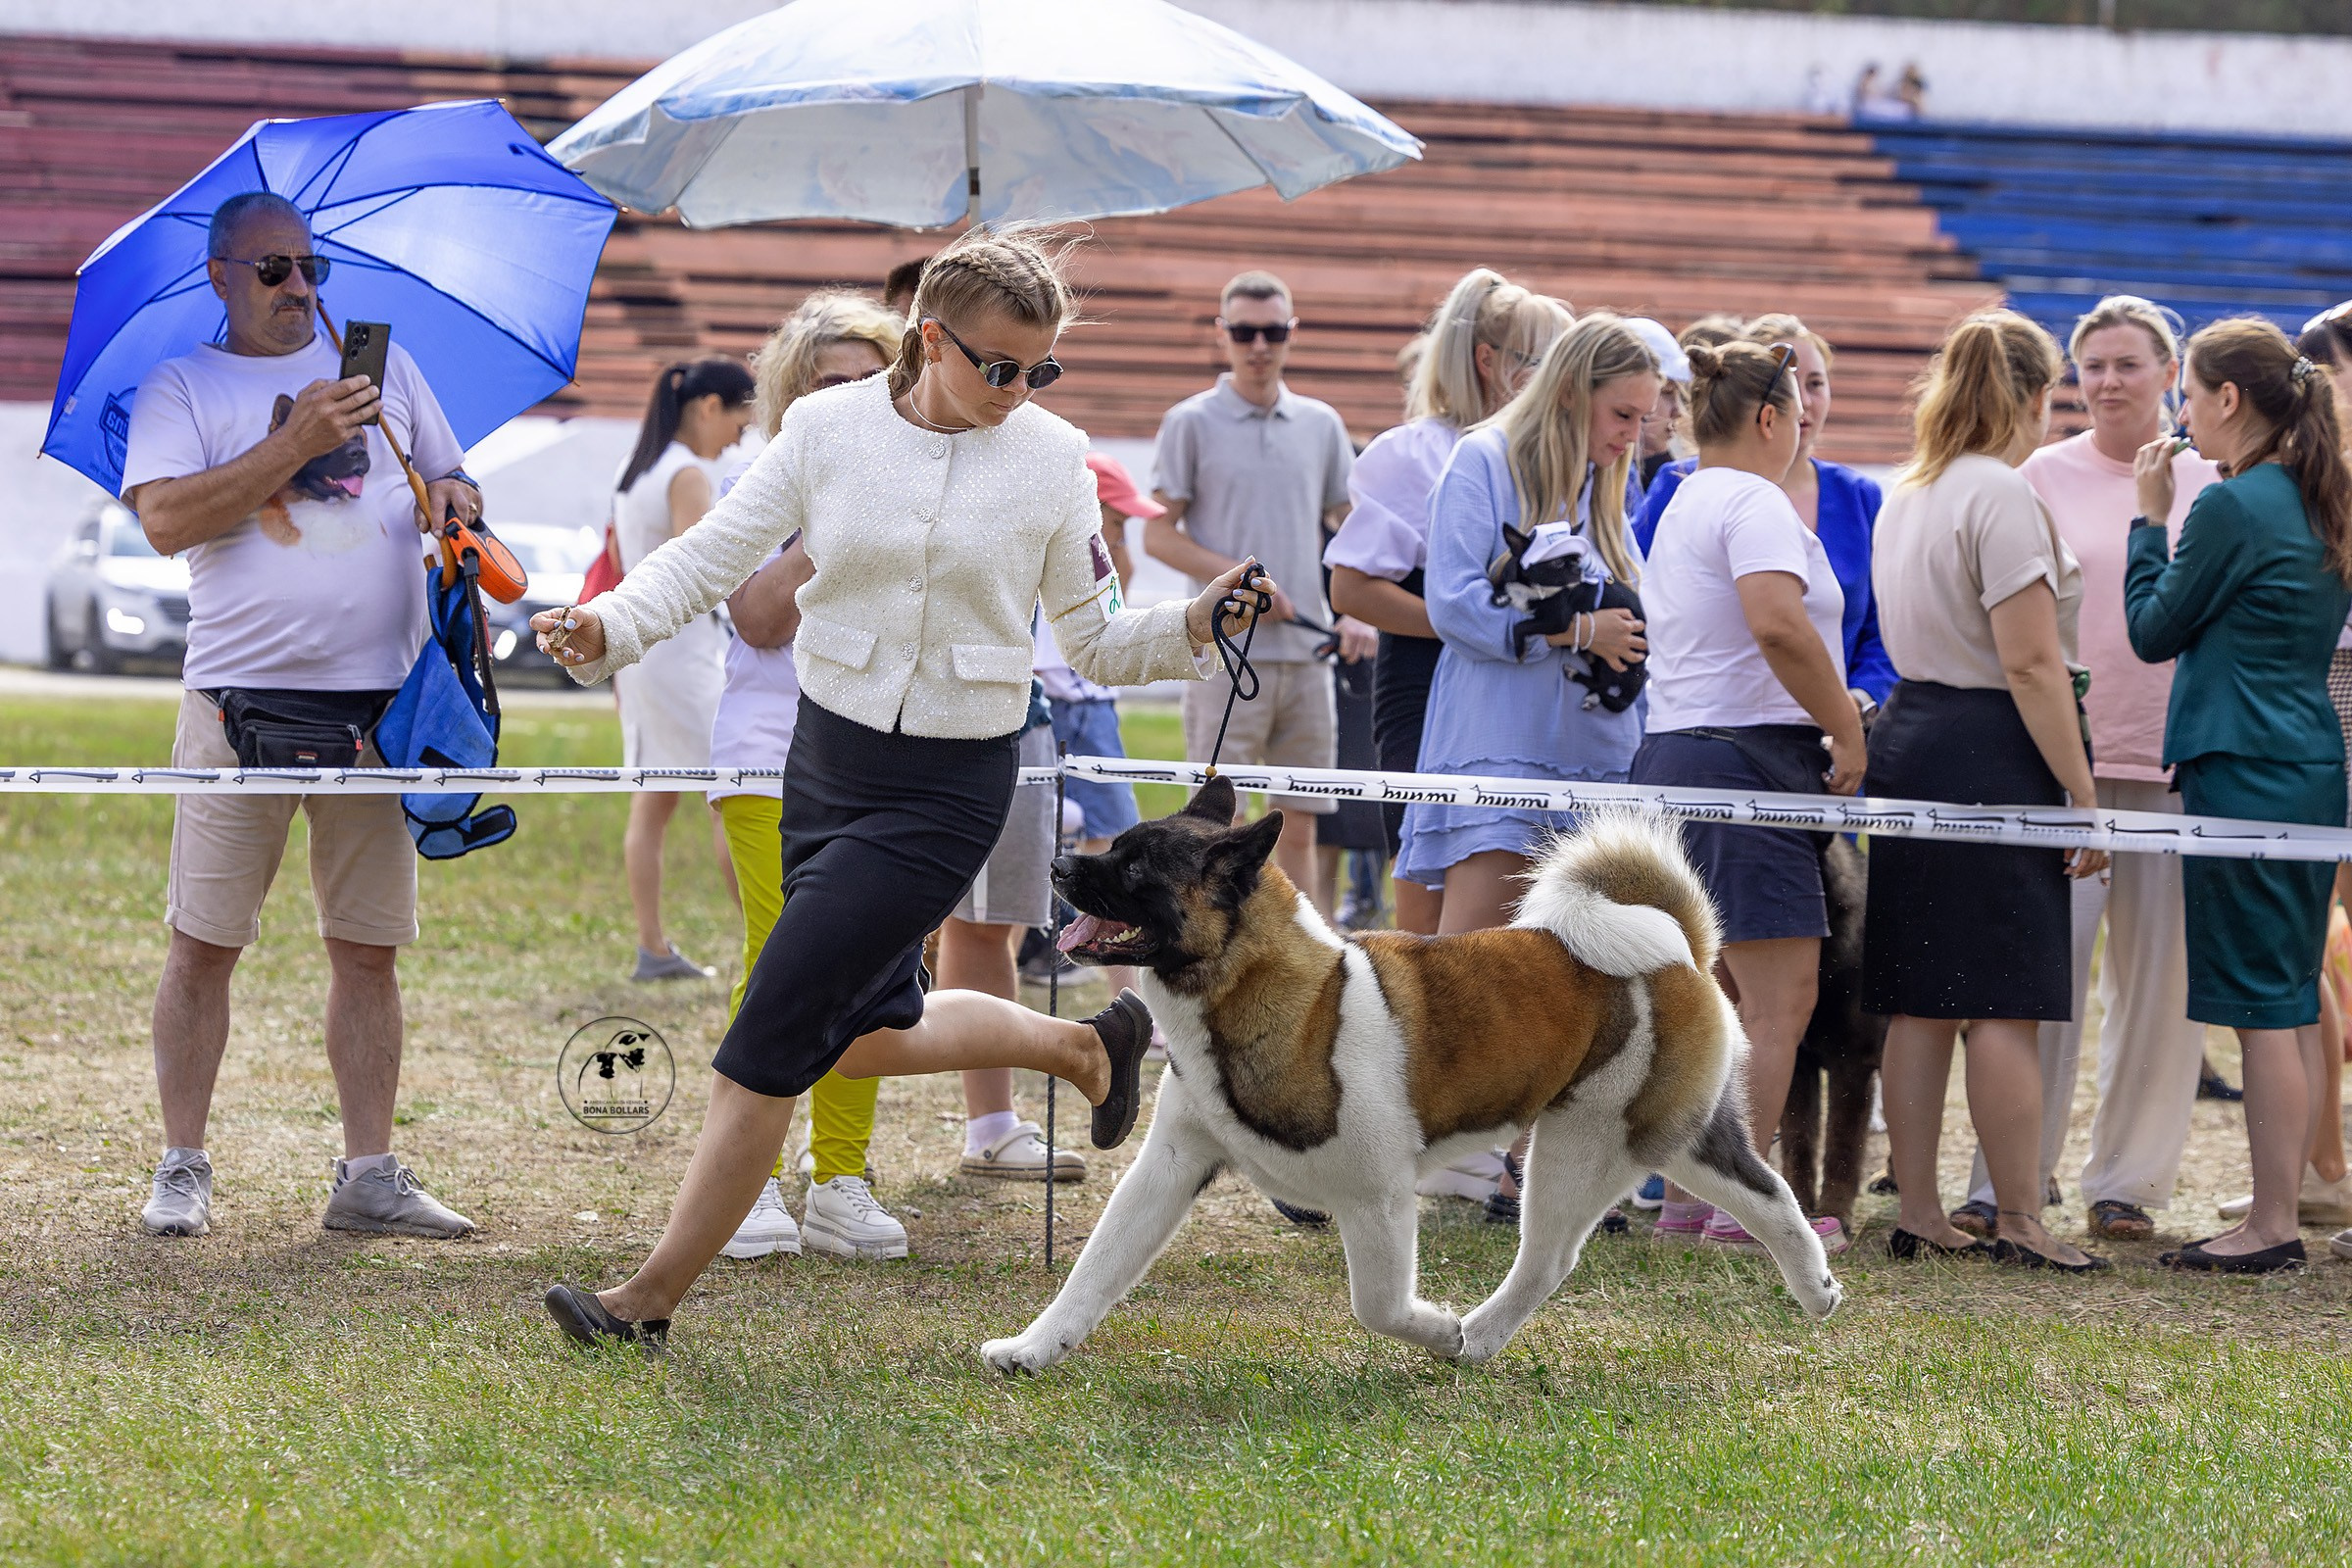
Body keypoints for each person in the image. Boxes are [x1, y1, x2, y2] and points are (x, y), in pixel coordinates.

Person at [532, 226, 1273, 1349]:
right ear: (931, 338)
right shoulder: (825, 429)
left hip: (951, 781)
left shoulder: (1053, 456)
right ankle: (1086, 1045)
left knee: (776, 1023)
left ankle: (646, 1300)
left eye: (1043, 371)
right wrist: (606, 625)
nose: (1022, 391)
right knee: (864, 1029)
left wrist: (1194, 625)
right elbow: (711, 557)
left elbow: (1098, 639)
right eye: (1001, 366)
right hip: (824, 766)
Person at [122, 190, 479, 1240]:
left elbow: (451, 470)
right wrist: (296, 441)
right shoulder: (181, 383)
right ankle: (183, 1161)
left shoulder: (383, 368)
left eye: (311, 268)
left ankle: (369, 1173)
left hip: (384, 706)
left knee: (369, 947)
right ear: (221, 276)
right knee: (204, 941)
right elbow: (165, 520)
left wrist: (454, 497)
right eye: (274, 270)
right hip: (237, 705)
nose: (299, 289)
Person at [1943, 297, 2220, 1244]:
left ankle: (2128, 1184)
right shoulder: (2038, 477)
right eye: (2091, 365)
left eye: (2128, 365)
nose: (2106, 381)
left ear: (2170, 375)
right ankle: (2009, 1176)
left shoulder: (2211, 478)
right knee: (2038, 974)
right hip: (2063, 762)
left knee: (2159, 982)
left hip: (2178, 758)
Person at [1865, 308, 2109, 1273]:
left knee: (1921, 998)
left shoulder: (1907, 489)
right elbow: (2034, 666)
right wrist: (2081, 794)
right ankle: (2021, 1218)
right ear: (2032, 395)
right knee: (2004, 1001)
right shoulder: (2000, 495)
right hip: (1990, 745)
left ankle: (1919, 1207)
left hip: (1915, 733)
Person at [1631, 339, 1865, 1256]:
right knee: (1779, 998)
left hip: (1680, 757)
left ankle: (1696, 1198)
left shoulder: (1686, 497)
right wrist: (1845, 726)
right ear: (1769, 418)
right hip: (1745, 763)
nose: (1805, 430)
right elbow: (1777, 623)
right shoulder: (1755, 498)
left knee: (1719, 997)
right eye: (1798, 415)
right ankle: (1742, 1207)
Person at [2129, 317, 2352, 1274]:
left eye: (2186, 394)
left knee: (2262, 1005)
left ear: (2228, 400)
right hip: (2306, 760)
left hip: (2242, 765)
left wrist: (2148, 516)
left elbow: (2152, 628)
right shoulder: (2318, 493)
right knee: (2293, 995)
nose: (2180, 413)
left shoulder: (2232, 507)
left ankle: (2270, 1222)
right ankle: (2282, 1204)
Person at [709, 291, 907, 1262]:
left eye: (876, 380)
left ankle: (841, 1178)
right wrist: (835, 521)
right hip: (766, 754)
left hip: (881, 753)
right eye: (836, 382)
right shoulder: (758, 484)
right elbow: (756, 619)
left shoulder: (925, 487)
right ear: (795, 393)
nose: (858, 398)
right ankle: (744, 1184)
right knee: (777, 962)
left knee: (871, 974)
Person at [1324, 268, 1569, 937]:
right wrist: (1471, 626)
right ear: (1489, 362)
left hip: (1522, 688)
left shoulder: (1553, 453)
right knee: (1434, 884)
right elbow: (1350, 588)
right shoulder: (1415, 453)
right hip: (1426, 687)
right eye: (1538, 361)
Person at [1147, 270, 1361, 914]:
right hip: (1223, 658)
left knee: (1301, 820)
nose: (1259, 345)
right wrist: (1242, 581)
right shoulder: (1189, 421)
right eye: (1245, 332)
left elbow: (1349, 530)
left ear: (1292, 333)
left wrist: (1354, 611)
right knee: (1215, 823)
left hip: (1307, 655)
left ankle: (1306, 961)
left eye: (1272, 331)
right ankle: (1212, 955)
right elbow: (1157, 534)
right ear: (1223, 334)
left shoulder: (1321, 424)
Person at [1640, 314, 1897, 712]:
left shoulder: (1859, 495)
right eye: (1793, 388)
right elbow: (1639, 592)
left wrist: (1854, 704)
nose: (1806, 404)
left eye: (1817, 384)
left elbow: (1882, 631)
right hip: (1715, 723)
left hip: (1821, 735)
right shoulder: (1680, 484)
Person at [611, 357, 756, 982]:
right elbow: (703, 575)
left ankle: (653, 946)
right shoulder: (688, 474)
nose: (739, 439)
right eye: (738, 422)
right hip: (683, 652)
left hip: (642, 659)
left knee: (654, 800)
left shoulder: (638, 469)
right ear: (708, 407)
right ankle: (766, 940)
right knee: (732, 795)